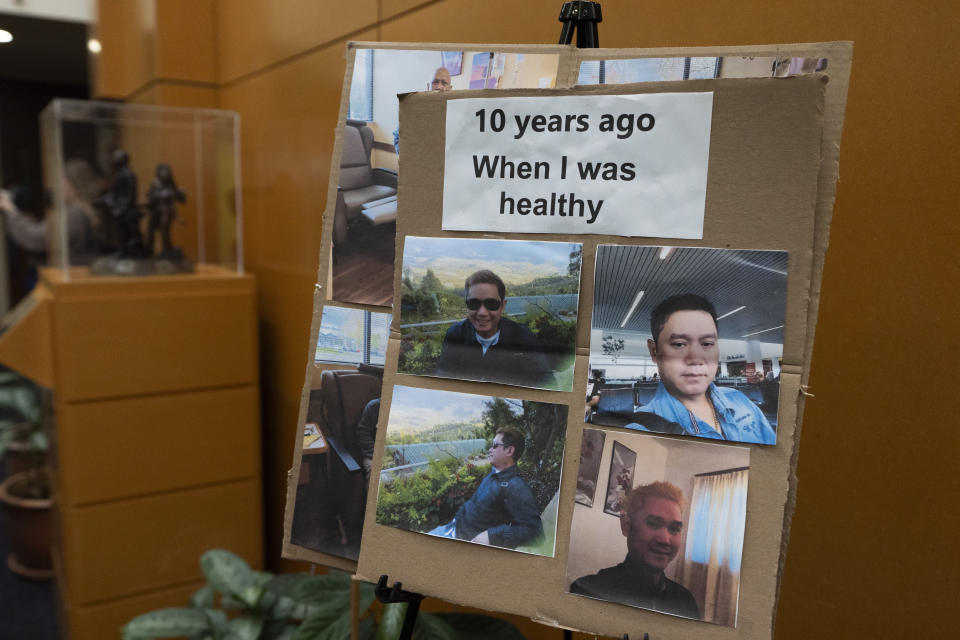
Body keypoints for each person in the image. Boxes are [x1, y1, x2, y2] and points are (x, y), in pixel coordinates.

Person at [625, 294, 776, 444]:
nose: (696, 359)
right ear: (654, 352)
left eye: (707, 344)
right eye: (679, 344)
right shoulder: (639, 432)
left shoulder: (740, 400)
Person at [570, 481, 701, 620]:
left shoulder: (686, 602)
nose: (664, 539)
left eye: (674, 529)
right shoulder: (588, 591)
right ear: (626, 526)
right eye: (653, 524)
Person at [435, 269, 553, 388]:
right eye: (474, 303)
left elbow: (546, 382)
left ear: (502, 306)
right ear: (467, 305)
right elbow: (443, 378)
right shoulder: (455, 335)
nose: (482, 312)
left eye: (491, 304)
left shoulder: (523, 338)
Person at [429, 427, 542, 549]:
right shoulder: (494, 474)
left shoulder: (515, 486)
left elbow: (534, 531)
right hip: (452, 528)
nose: (490, 449)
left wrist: (492, 535)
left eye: (494, 445)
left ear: (509, 450)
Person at [0, 159, 106, 265]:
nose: (59, 187)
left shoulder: (74, 215)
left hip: (71, 277)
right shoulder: (84, 211)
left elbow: (35, 238)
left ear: (73, 184)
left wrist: (10, 209)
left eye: (63, 182)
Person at [393, 67, 453, 152]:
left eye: (444, 83)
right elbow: (397, 139)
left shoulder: (456, 115)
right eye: (435, 82)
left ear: (450, 89)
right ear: (428, 86)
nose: (439, 87)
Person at [355, 397, 380, 486]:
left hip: (395, 451)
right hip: (373, 454)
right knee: (376, 477)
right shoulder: (374, 406)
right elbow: (363, 433)